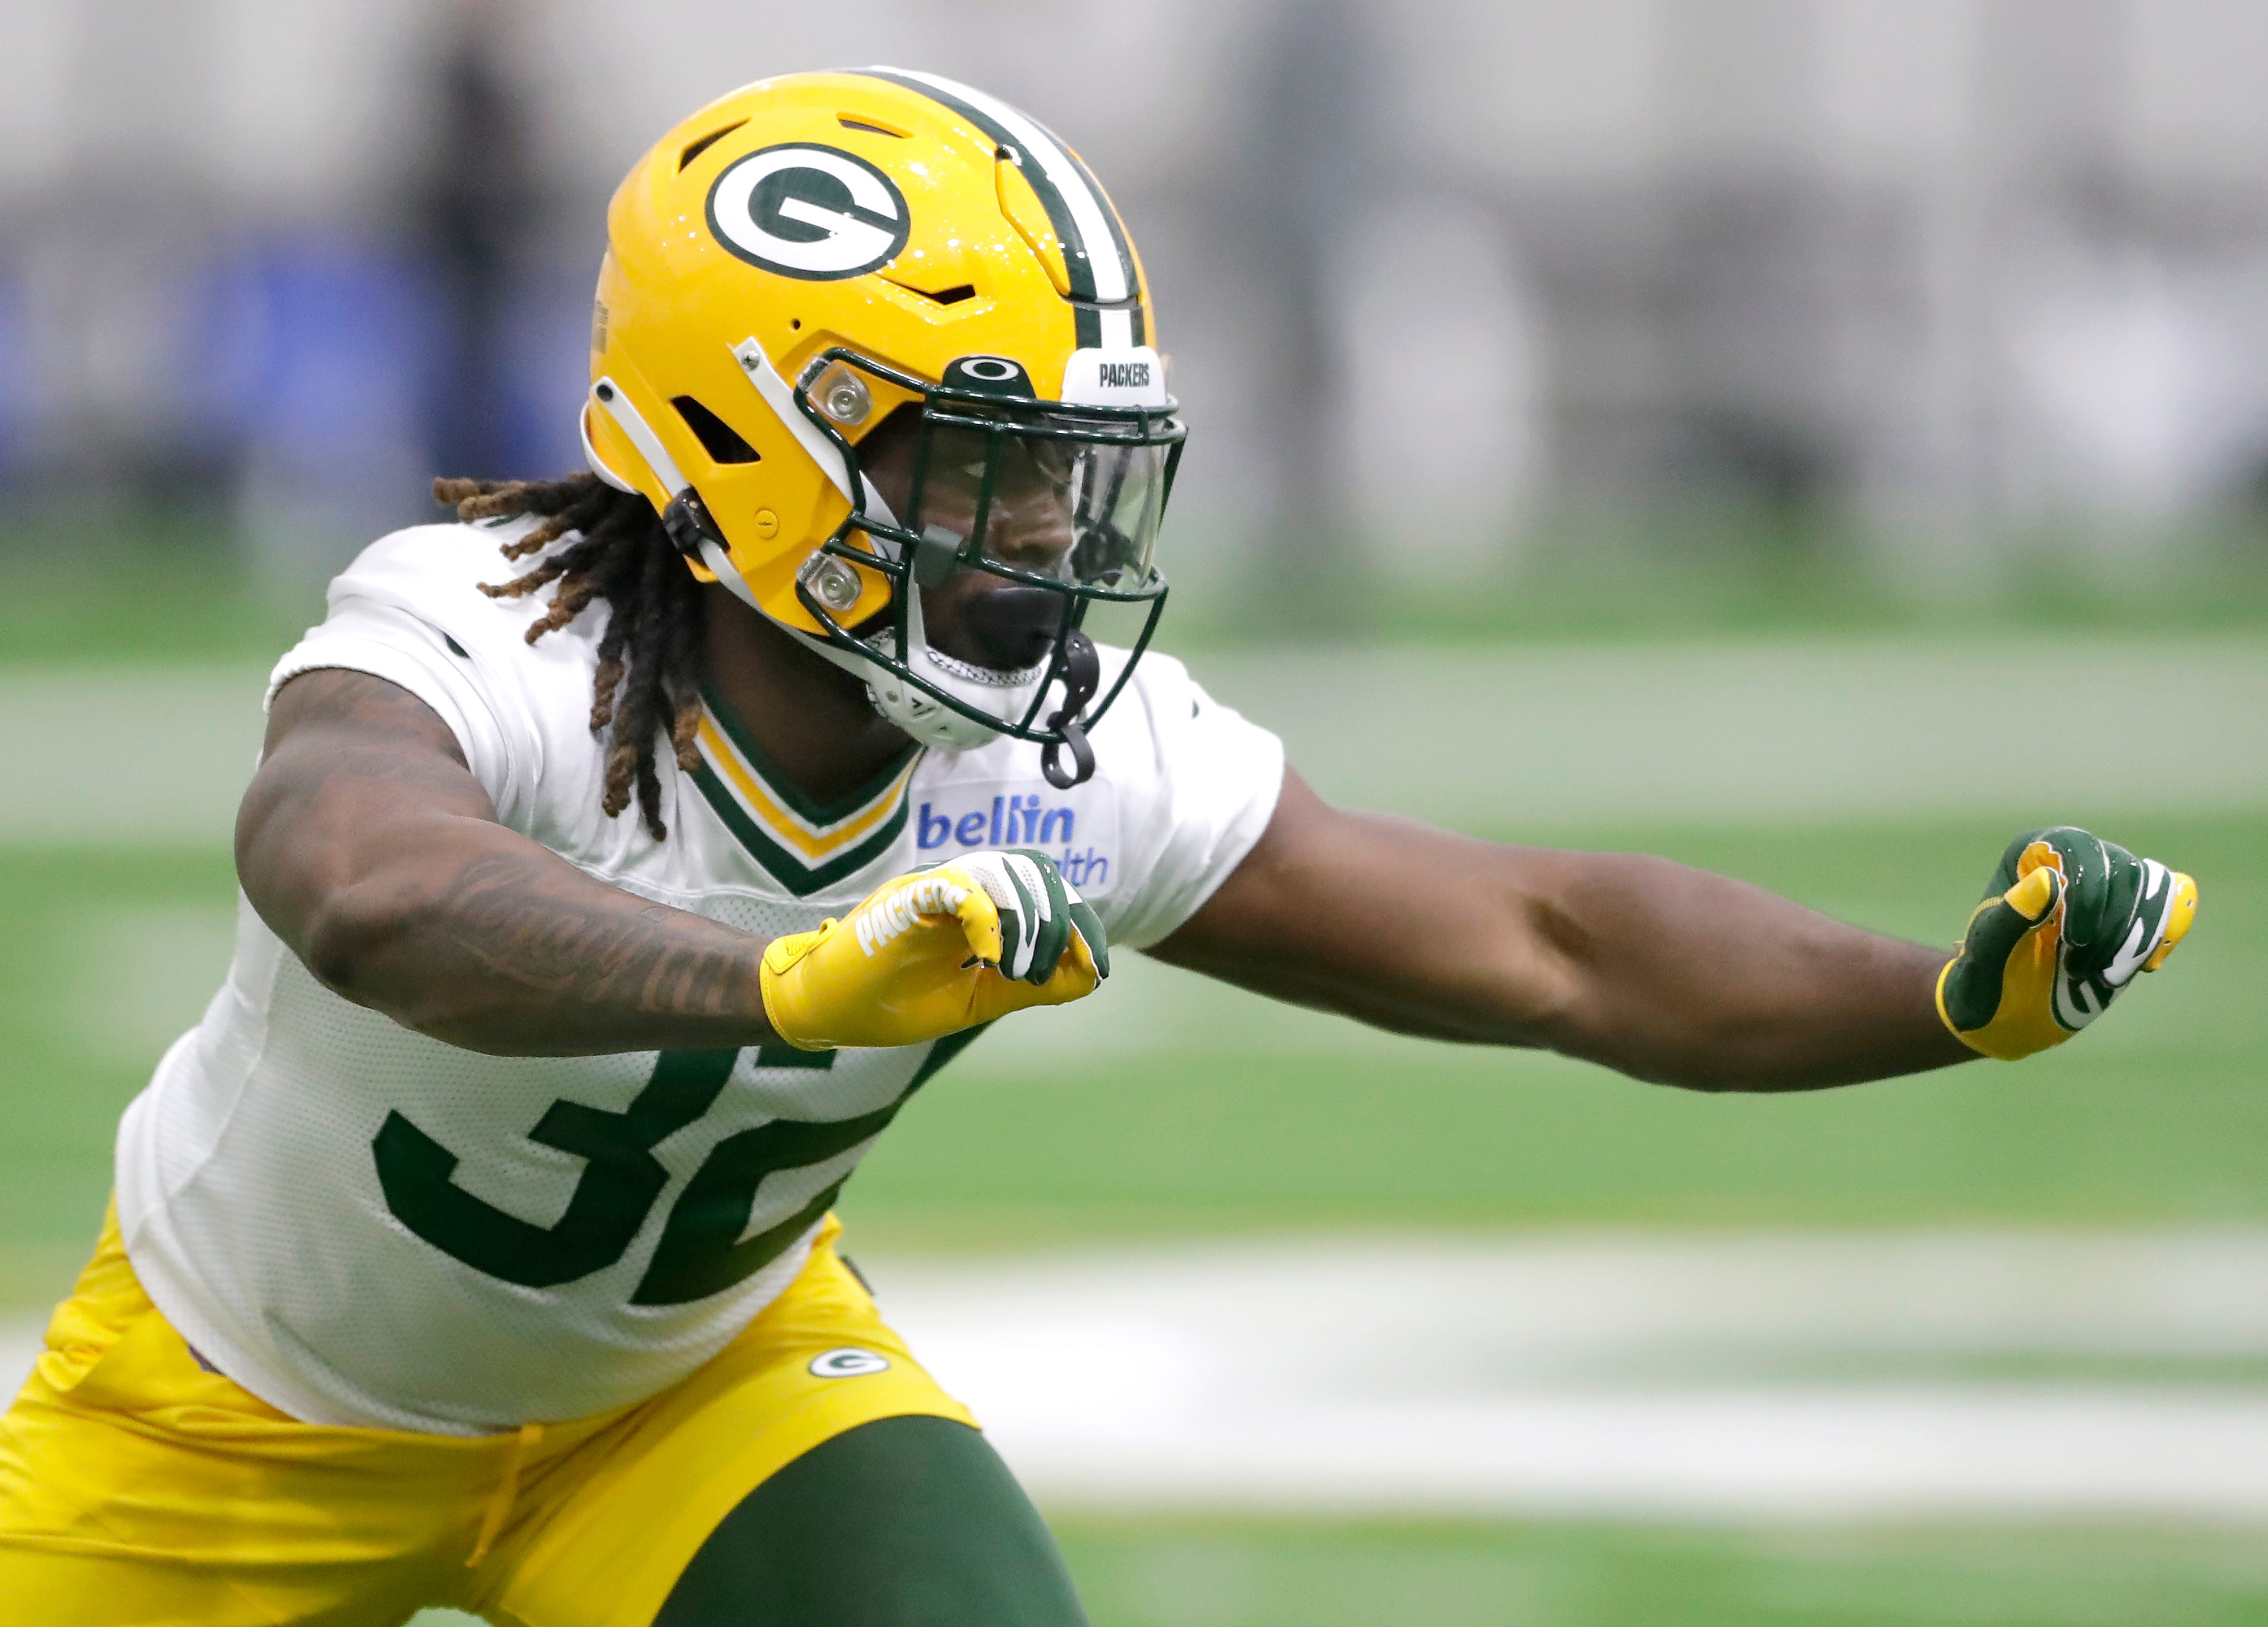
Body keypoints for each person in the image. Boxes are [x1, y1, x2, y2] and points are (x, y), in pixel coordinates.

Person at [0, 67, 2196, 1626]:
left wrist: (1926, 1002)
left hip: (683, 1397)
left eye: (1068, 473)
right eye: (977, 466)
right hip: (228, 1418)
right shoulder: (478, 630)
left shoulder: (1063, 753)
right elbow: (357, 885)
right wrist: (770, 980)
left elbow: (1550, 945)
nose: (1045, 538)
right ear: (750, 445)